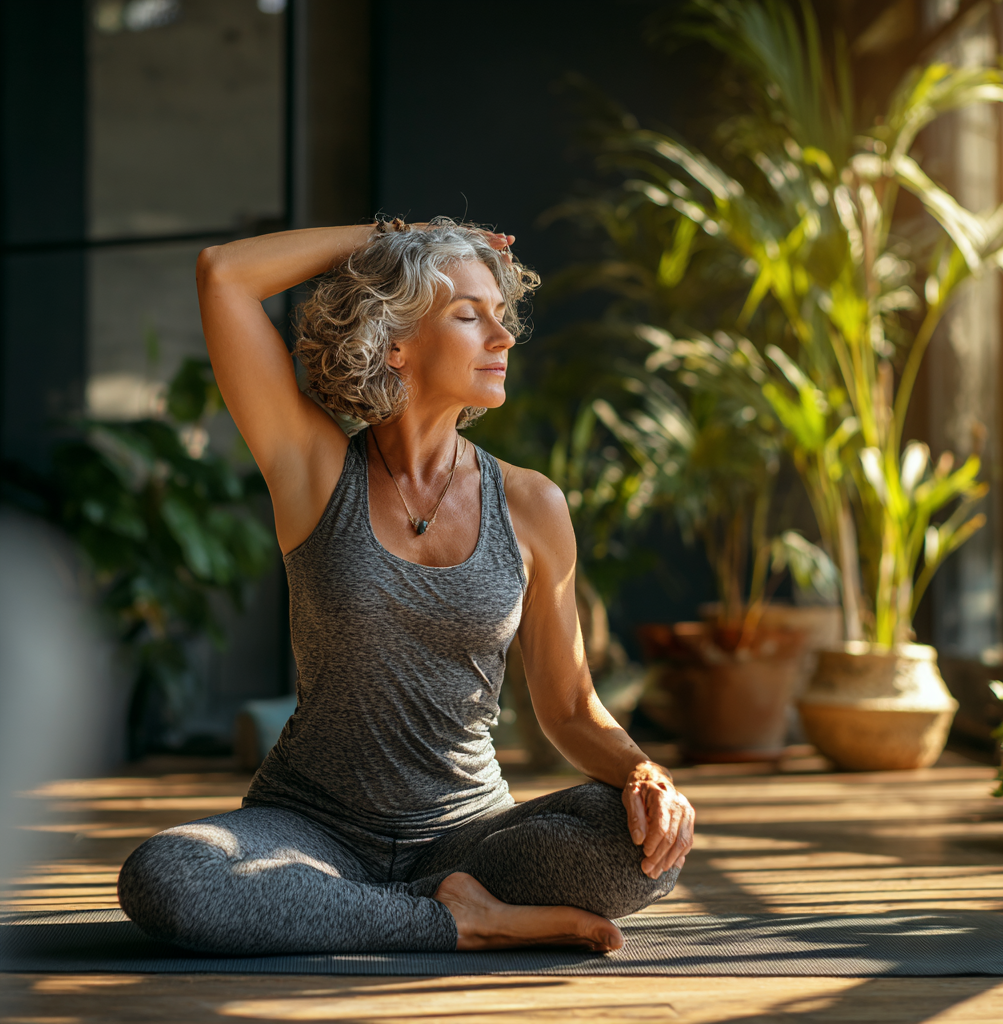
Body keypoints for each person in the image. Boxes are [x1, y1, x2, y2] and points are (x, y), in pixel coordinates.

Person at [117, 218, 695, 955]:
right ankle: (455, 920)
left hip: (470, 838)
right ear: (395, 341)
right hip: (310, 827)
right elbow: (223, 274)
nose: (503, 337)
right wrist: (399, 232)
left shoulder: (532, 506)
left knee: (638, 847)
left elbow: (572, 709)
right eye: (468, 314)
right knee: (170, 877)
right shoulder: (316, 472)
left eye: (501, 316)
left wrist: (646, 774)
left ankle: (369, 908)